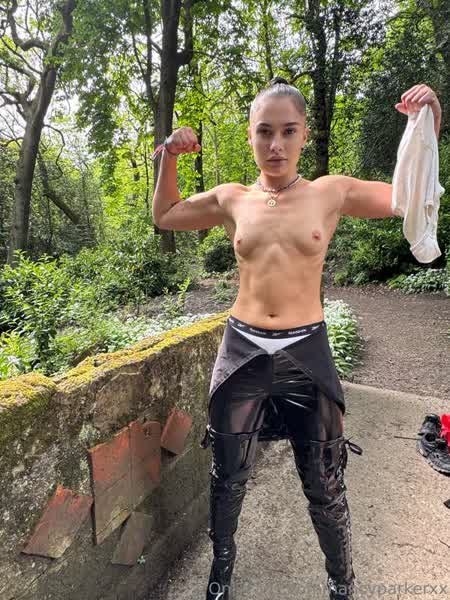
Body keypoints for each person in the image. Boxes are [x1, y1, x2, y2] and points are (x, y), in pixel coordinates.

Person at [151, 78, 442, 600]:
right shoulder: (232, 198)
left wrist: (428, 120)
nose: (276, 144)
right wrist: (169, 156)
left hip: (306, 350)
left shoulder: (330, 192)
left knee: (324, 482)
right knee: (227, 475)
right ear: (250, 136)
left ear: (304, 134)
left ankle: (341, 581)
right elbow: (165, 214)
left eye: (288, 131)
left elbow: (408, 195)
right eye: (265, 132)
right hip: (241, 351)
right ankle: (221, 570)